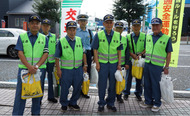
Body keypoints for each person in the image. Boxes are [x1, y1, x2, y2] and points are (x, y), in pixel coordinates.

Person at [12, 14, 48, 115]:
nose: (35, 25)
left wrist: (36, 67)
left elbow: (46, 53)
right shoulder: (22, 37)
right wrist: (29, 67)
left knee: (37, 94)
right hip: (24, 70)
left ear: (40, 25)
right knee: (20, 94)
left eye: (37, 23)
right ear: (29, 25)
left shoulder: (44, 38)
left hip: (38, 70)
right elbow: (20, 53)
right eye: (32, 23)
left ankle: (35, 113)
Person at [140, 18, 173, 112]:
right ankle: (148, 101)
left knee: (155, 85)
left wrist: (166, 66)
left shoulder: (166, 38)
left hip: (157, 66)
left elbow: (169, 53)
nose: (155, 27)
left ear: (161, 26)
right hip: (147, 64)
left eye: (157, 25)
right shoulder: (148, 36)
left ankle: (157, 103)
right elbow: (147, 48)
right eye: (153, 25)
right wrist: (140, 54)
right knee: (147, 84)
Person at [91, 14, 123, 112]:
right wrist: (97, 63)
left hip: (113, 64)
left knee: (113, 85)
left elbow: (119, 51)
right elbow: (95, 50)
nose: (109, 25)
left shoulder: (118, 35)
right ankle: (101, 103)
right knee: (102, 84)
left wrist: (119, 64)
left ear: (113, 24)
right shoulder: (99, 35)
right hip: (103, 64)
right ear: (104, 24)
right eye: (107, 23)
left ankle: (111, 103)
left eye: (111, 23)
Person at [55, 21, 87, 111]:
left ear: (76, 30)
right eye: (70, 30)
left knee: (77, 88)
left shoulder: (79, 40)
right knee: (64, 88)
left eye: (74, 29)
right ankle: (64, 103)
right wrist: (58, 70)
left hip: (78, 69)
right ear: (66, 30)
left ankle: (73, 102)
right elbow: (57, 57)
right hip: (66, 70)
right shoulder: (61, 41)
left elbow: (84, 53)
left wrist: (85, 64)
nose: (72, 32)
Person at [123, 19, 146, 101]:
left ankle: (138, 93)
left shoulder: (144, 36)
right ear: (132, 27)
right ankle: (126, 93)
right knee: (128, 77)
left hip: (140, 60)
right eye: (134, 26)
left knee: (139, 77)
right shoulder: (128, 36)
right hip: (130, 59)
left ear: (140, 27)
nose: (136, 27)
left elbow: (147, 47)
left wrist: (141, 54)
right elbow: (126, 48)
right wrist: (131, 54)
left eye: (137, 26)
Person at [76, 14, 94, 99]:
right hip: (78, 54)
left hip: (88, 53)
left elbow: (93, 44)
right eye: (81, 21)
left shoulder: (90, 32)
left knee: (87, 72)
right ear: (78, 22)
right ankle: (78, 91)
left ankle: (85, 91)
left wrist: (93, 56)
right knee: (79, 72)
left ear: (87, 22)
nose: (83, 22)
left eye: (84, 21)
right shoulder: (75, 31)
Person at [41, 18, 57, 103]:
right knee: (41, 80)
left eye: (47, 26)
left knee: (51, 80)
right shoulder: (39, 36)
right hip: (42, 63)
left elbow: (56, 49)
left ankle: (51, 96)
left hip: (51, 62)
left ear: (50, 27)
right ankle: (39, 98)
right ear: (41, 27)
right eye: (44, 26)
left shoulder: (54, 37)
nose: (45, 27)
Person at [114, 21, 130, 103]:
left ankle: (119, 96)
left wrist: (127, 63)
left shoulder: (125, 39)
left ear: (123, 29)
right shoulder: (112, 38)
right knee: (113, 81)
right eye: (117, 28)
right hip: (113, 63)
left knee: (120, 80)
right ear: (114, 29)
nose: (118, 30)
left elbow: (127, 52)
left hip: (122, 64)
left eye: (120, 28)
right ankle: (111, 96)